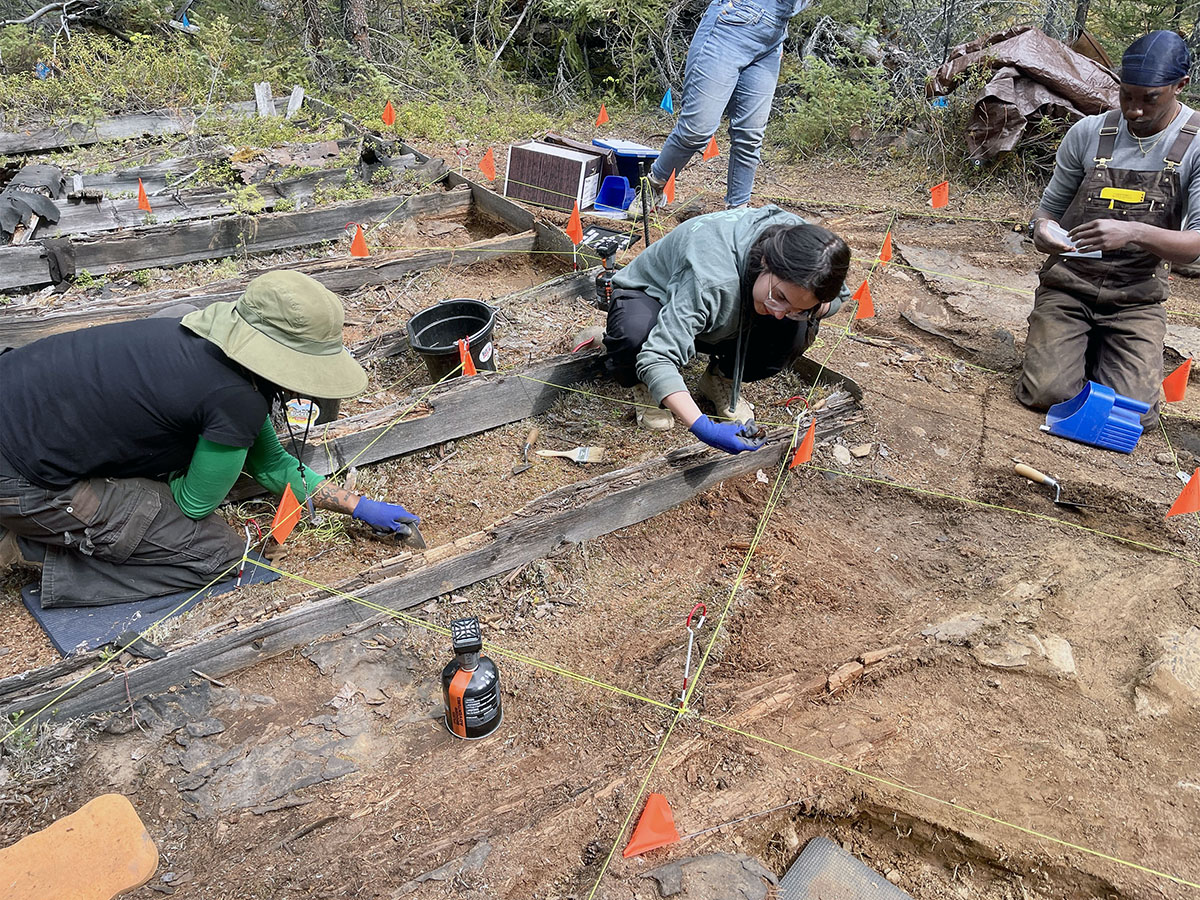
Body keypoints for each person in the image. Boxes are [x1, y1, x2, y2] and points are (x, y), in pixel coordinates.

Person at [0, 271, 420, 608]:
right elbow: (191, 503)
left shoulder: (195, 342)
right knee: (214, 553)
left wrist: (356, 506)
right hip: (19, 480)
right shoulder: (234, 398)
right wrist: (186, 480)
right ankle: (28, 547)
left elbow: (272, 464)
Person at [1019, 30, 1200, 423]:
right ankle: (1071, 343)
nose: (1134, 110)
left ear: (1180, 86)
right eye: (1126, 96)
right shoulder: (1088, 133)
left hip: (1137, 298)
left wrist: (1133, 232)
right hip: (1069, 287)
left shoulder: (1196, 143)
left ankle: (1104, 348)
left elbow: (1194, 245)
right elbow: (1045, 214)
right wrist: (1044, 233)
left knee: (1131, 414)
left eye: (1149, 98)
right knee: (1047, 394)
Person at [578, 205, 849, 454]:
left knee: (793, 333)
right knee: (633, 339)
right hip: (653, 294)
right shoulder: (711, 280)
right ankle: (643, 381)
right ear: (766, 262)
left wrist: (809, 312)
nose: (780, 313)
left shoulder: (810, 251)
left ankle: (720, 377)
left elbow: (839, 297)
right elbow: (657, 356)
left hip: (722, 304)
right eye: (779, 296)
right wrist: (703, 427)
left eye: (795, 306)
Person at [641, 0, 812, 211]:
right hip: (732, 25)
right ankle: (655, 184)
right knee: (696, 130)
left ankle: (737, 211)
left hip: (773, 36)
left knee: (750, 136)